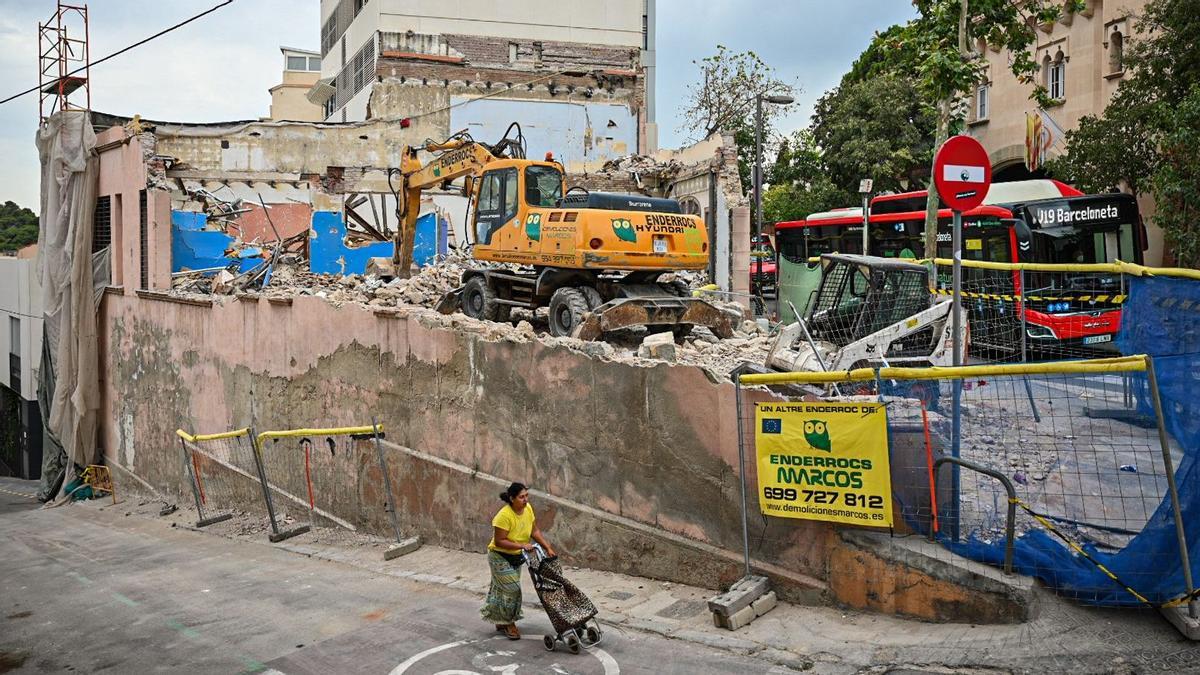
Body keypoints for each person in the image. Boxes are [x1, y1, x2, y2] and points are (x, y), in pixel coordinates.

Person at [480, 482, 555, 640]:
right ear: (512, 498)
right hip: (499, 556)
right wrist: (522, 545)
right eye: (521, 497)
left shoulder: (528, 509)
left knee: (502, 589)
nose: (525, 499)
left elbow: (534, 530)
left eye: (527, 496)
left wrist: (547, 547)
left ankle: (500, 620)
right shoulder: (504, 516)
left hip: (517, 555)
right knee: (513, 589)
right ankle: (509, 623)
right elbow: (500, 541)